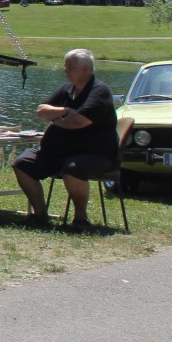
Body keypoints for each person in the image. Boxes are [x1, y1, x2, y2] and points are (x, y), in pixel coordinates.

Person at [12, 48, 118, 231]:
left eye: (71, 67)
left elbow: (78, 122)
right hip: (57, 152)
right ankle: (40, 215)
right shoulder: (67, 89)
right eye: (66, 66)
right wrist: (64, 111)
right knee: (22, 164)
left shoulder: (99, 91)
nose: (66, 71)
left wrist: (55, 119)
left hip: (95, 155)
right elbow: (41, 111)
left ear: (86, 69)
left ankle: (81, 219)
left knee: (73, 168)